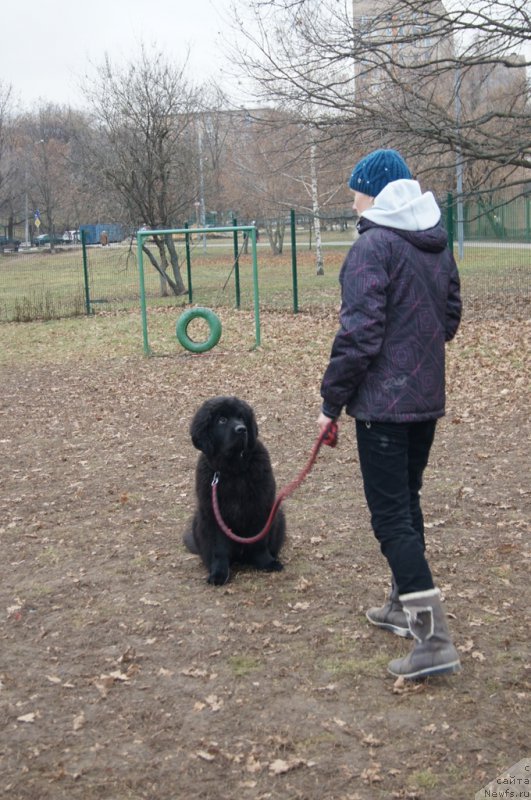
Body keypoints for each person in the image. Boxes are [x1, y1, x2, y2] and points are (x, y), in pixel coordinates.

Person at [317, 148, 462, 679]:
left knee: (391, 517)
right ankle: (403, 607)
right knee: (407, 502)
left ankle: (433, 641)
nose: (352, 198)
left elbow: (358, 336)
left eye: (357, 189)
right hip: (424, 401)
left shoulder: (371, 248)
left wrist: (330, 402)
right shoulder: (436, 245)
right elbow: (449, 318)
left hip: (383, 406)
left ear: (375, 193)